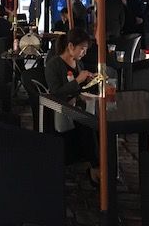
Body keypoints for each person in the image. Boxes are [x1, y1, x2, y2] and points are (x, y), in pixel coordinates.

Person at [45, 28, 99, 182]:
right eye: (82, 49)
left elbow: (79, 89)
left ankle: (100, 163)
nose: (84, 53)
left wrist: (88, 81)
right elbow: (56, 93)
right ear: (70, 46)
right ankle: (96, 167)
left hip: (78, 107)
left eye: (85, 49)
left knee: (98, 122)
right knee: (88, 123)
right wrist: (78, 81)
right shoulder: (54, 65)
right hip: (61, 110)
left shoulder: (78, 64)